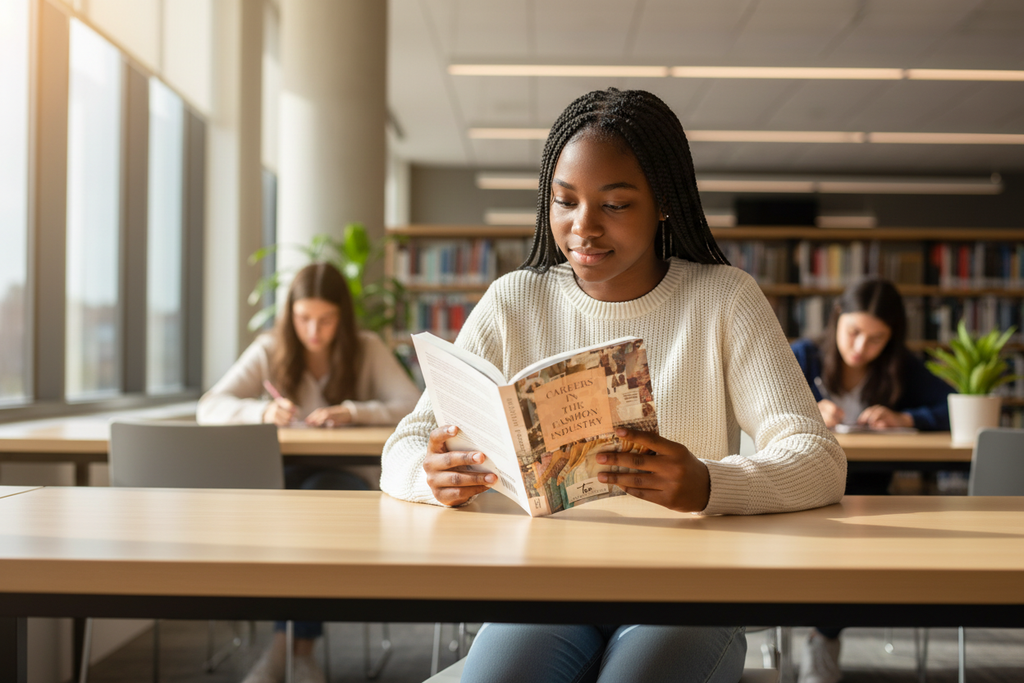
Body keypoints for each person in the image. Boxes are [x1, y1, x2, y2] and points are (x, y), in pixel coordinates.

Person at [380, 88, 847, 683]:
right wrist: (430, 476)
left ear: (664, 206)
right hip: (546, 590)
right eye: (565, 201)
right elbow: (404, 444)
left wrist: (708, 482)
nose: (583, 228)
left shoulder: (724, 299)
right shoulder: (513, 302)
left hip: (689, 594)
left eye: (616, 204)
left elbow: (819, 459)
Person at [198, 261, 419, 683]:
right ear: (289, 315)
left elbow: (412, 403)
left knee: (312, 510)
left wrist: (353, 412)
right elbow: (210, 406)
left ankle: (284, 651)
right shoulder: (268, 349)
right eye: (303, 318)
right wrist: (262, 409)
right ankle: (297, 654)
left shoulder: (366, 347)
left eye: (325, 319)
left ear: (343, 316)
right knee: (296, 514)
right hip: (282, 476)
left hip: (346, 478)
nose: (313, 331)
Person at [790, 278, 953, 683]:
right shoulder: (803, 356)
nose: (861, 347)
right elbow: (752, 402)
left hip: (869, 491)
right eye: (854, 332)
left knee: (855, 551)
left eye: (876, 339)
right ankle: (822, 639)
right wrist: (804, 408)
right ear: (837, 320)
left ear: (892, 338)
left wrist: (906, 418)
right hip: (802, 486)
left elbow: (954, 406)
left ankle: (822, 637)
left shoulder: (900, 367)